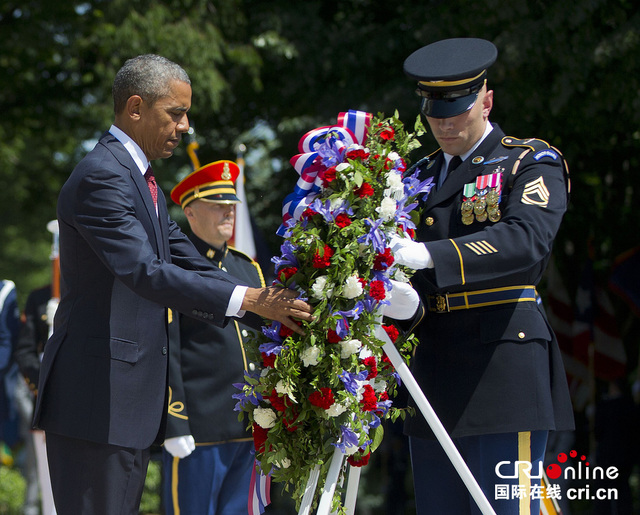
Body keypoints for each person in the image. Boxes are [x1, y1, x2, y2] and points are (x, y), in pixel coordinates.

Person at [32, 54, 313, 515]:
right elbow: (146, 272)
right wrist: (251, 299)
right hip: (97, 402)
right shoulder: (103, 176)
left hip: (121, 405)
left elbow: (184, 257)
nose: (186, 126)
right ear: (136, 108)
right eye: (176, 112)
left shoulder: (140, 178)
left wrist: (278, 298)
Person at [391, 38, 575, 514]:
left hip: (502, 369)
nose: (446, 124)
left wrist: (430, 256)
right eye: (436, 114)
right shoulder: (418, 176)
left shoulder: (529, 161)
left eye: (458, 110)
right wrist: (406, 303)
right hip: (433, 369)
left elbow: (525, 240)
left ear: (486, 100)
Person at [162, 160, 265, 514]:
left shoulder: (247, 267)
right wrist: (174, 422)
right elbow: (168, 345)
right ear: (190, 212)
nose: (228, 212)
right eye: (217, 205)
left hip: (251, 425)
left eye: (231, 205)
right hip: (199, 429)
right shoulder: (174, 267)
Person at [14, 283, 57, 515]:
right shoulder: (39, 296)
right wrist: (44, 387)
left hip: (85, 401)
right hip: (47, 400)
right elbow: (24, 350)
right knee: (49, 484)